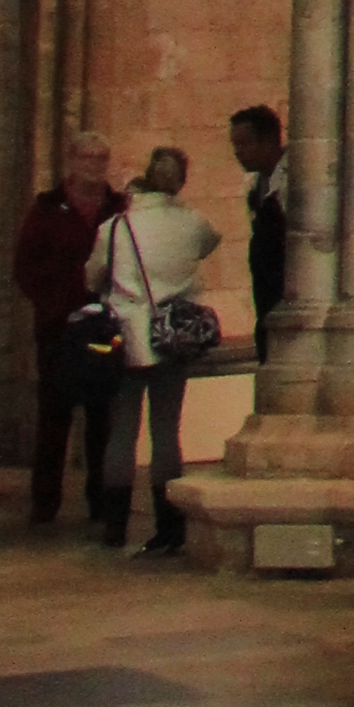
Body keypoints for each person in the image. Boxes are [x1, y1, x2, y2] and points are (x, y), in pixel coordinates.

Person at [94, 145, 222, 557]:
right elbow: (209, 244)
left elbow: (94, 274)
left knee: (122, 432)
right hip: (174, 334)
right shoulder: (193, 222)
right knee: (167, 431)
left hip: (128, 336)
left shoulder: (115, 228)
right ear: (181, 181)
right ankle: (168, 525)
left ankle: (114, 526)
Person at [13, 129, 123, 529]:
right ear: (72, 161)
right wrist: (55, 304)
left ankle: (101, 499)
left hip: (103, 325)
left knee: (102, 419)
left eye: (101, 158)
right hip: (59, 327)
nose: (94, 165)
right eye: (87, 157)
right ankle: (45, 503)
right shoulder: (47, 209)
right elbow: (26, 266)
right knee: (54, 416)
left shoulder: (119, 208)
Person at [229, 101, 291, 354]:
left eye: (244, 144)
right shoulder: (256, 185)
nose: (238, 153)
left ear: (267, 141)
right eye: (236, 146)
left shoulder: (292, 181)